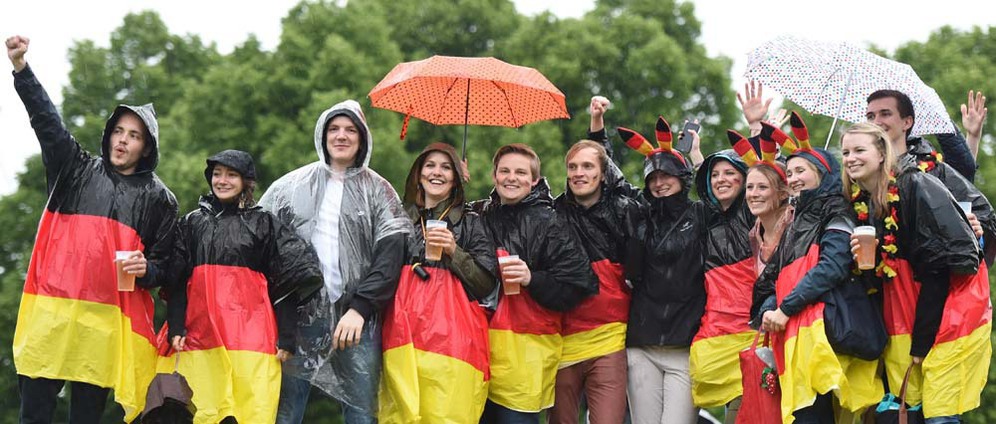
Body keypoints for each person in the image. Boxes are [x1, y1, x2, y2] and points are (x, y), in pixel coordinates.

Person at [7, 35, 178, 423]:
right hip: (51, 312)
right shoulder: (74, 168)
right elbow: (47, 122)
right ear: (108, 133)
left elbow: (168, 266)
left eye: (134, 135)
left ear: (146, 147)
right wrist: (21, 68)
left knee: (85, 417)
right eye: (119, 131)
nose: (123, 140)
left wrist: (147, 269)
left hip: (103, 324)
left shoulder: (159, 199)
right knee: (34, 414)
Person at [260, 100, 410, 424]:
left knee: (362, 414)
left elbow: (390, 257)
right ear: (322, 135)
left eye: (350, 129)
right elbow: (262, 241)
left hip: (357, 319)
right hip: (298, 318)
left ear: (363, 137)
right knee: (283, 411)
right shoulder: (291, 187)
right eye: (334, 129)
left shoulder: (379, 191)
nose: (341, 136)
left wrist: (361, 308)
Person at [841, 122, 991, 423]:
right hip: (907, 313)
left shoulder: (915, 186)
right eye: (845, 152)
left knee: (939, 411)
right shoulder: (868, 202)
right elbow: (886, 275)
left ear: (881, 154)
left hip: (951, 309)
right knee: (912, 406)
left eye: (859, 150)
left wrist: (921, 342)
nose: (850, 158)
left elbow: (940, 268)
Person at [160, 150, 323, 423]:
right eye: (217, 174)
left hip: (251, 339)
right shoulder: (192, 224)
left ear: (246, 181)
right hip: (201, 336)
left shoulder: (265, 224)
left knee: (249, 410)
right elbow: (176, 278)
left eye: (231, 175)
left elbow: (287, 281)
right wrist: (176, 325)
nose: (222, 181)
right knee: (201, 410)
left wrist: (286, 336)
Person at [751, 118, 882, 423]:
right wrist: (768, 309)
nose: (793, 178)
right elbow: (774, 278)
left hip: (830, 334)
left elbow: (833, 266)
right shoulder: (794, 220)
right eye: (789, 173)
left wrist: (785, 308)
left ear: (822, 173)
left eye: (801, 171)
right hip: (800, 339)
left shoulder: (837, 208)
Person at [478, 143, 598, 424]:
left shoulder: (551, 223)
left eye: (521, 172)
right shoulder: (479, 214)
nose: (511, 178)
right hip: (479, 350)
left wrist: (532, 278)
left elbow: (578, 285)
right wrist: (458, 181)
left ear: (534, 180)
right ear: (494, 176)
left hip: (525, 353)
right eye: (505, 171)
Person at [379, 142, 497, 422]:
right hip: (402, 337)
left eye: (446, 167)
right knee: (401, 414)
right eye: (430, 165)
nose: (437, 173)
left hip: (453, 343)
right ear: (418, 174)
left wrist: (454, 252)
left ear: (456, 177)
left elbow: (486, 284)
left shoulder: (471, 223)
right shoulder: (398, 219)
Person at [612, 118, 707, 424]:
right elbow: (611, 183)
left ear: (681, 176)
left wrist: (696, 155)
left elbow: (721, 196)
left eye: (666, 175)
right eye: (652, 177)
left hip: (686, 344)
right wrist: (598, 129)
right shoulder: (640, 214)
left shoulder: (700, 214)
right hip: (642, 343)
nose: (659, 182)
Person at [549, 137, 641, 424]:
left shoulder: (624, 209)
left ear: (603, 173)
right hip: (563, 338)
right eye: (573, 166)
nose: (579, 173)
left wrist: (598, 129)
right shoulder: (552, 212)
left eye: (588, 166)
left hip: (609, 336)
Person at [687, 145, 755, 423]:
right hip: (718, 334)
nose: (721, 179)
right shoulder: (706, 219)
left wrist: (757, 134)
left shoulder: (754, 214)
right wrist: (695, 155)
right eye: (714, 175)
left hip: (751, 331)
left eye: (729, 173)